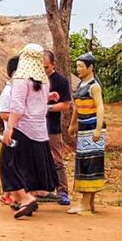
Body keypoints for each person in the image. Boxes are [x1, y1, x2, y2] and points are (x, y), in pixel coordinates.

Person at [1, 43, 58, 219]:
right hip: (39, 130)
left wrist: (10, 128)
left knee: (7, 163)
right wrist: (49, 97)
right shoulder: (44, 80)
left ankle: (25, 198)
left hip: (23, 128)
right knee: (28, 165)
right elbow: (35, 100)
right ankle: (26, 197)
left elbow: (17, 105)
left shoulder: (20, 78)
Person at [67, 52, 106, 215]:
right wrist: (73, 123)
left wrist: (97, 129)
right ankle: (88, 202)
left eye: (81, 66)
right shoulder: (81, 85)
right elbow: (77, 106)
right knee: (84, 162)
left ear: (90, 67)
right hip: (83, 128)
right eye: (77, 66)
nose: (78, 69)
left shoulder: (94, 86)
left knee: (91, 163)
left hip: (92, 128)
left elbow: (100, 107)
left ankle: (85, 203)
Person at [43, 50, 73, 206]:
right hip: (35, 127)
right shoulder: (35, 81)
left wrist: (47, 108)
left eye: (46, 67)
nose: (44, 70)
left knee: (57, 159)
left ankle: (62, 191)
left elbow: (66, 104)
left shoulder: (61, 81)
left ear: (53, 65)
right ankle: (41, 191)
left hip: (52, 127)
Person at [0, 56, 19, 206]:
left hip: (18, 134)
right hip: (11, 135)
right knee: (10, 165)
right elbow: (4, 113)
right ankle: (9, 194)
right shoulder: (8, 92)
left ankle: (9, 193)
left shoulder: (18, 90)